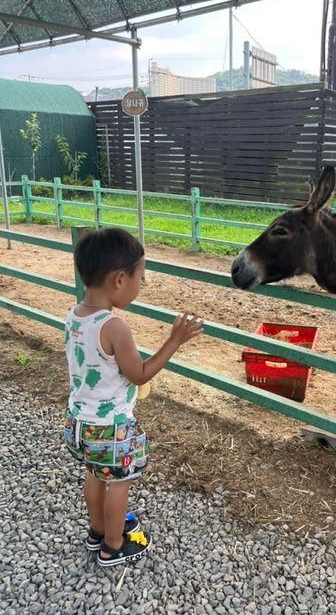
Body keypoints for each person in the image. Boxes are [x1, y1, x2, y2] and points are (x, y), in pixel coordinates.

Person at [63, 228, 203, 566]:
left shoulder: (74, 316)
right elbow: (139, 374)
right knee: (119, 483)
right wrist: (175, 340)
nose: (143, 283)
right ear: (120, 280)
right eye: (141, 277)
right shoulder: (114, 326)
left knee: (95, 475)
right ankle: (113, 545)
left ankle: (97, 531)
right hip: (110, 429)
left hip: (79, 423)